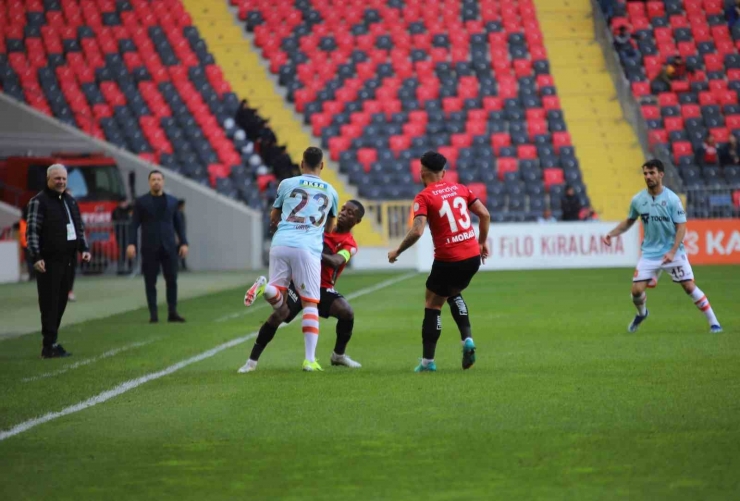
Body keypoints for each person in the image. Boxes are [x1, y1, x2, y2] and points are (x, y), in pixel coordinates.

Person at [387, 151, 491, 372]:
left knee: (432, 303)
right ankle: (467, 340)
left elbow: (417, 231)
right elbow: (484, 214)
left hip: (448, 259)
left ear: (421, 172)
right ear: (443, 172)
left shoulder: (424, 197)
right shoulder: (461, 188)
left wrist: (398, 250)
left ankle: (428, 362)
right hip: (471, 256)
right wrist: (481, 243)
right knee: (453, 292)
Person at [238, 200, 365, 373]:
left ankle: (338, 356)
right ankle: (251, 362)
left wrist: (311, 250)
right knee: (279, 315)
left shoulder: (349, 244)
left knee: (347, 312)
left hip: (322, 287)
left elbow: (336, 261)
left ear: (357, 221)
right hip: (299, 282)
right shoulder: (319, 229)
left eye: (350, 213)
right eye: (343, 209)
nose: (343, 213)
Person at [243, 147, 339, 372]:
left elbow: (274, 216)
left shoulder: (286, 184)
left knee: (280, 301)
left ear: (302, 163)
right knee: (310, 303)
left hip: (281, 243)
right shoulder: (331, 191)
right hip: (307, 248)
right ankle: (309, 359)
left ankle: (265, 287)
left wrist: (281, 223)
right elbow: (331, 226)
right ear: (322, 166)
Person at [602, 159, 722, 334]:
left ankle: (714, 323)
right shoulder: (638, 200)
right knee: (636, 291)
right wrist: (611, 234)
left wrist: (673, 251)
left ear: (661, 174)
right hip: (650, 254)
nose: (648, 176)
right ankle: (642, 313)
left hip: (673, 253)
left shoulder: (672, 199)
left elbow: (681, 226)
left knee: (689, 286)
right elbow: (629, 221)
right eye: (645, 173)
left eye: (651, 173)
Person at [25, 164, 91, 358]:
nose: (61, 181)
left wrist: (84, 248)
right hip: (49, 261)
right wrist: (36, 257)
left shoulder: (70, 201)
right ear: (48, 180)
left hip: (68, 260)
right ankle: (48, 345)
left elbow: (78, 228)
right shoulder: (39, 201)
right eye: (57, 178)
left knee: (61, 302)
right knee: (49, 303)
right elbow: (32, 232)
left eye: (63, 178)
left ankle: (52, 342)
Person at [126, 170, 188, 323]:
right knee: (150, 281)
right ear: (149, 182)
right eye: (153, 179)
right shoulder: (141, 202)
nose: (156, 182)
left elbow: (179, 225)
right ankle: (153, 314)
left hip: (169, 247)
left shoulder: (173, 202)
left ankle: (172, 312)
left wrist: (184, 242)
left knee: (172, 280)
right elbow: (133, 225)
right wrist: (131, 243)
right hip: (149, 247)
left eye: (159, 179)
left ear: (163, 181)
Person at [112, 198, 133, 274]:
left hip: (129, 234)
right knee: (122, 252)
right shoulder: (116, 210)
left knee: (130, 251)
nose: (124, 204)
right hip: (120, 235)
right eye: (122, 202)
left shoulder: (130, 209)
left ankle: (130, 268)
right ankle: (120, 269)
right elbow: (115, 219)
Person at [176, 199, 188, 271]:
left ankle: (183, 266)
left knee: (182, 251)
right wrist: (178, 236)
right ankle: (179, 266)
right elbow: (178, 226)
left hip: (182, 236)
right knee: (178, 251)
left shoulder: (181, 213)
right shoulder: (178, 214)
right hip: (179, 236)